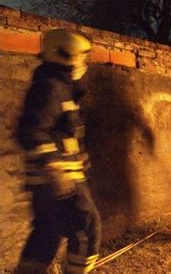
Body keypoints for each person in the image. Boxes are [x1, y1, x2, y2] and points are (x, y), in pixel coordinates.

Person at [15, 28, 101, 273]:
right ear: (65, 55)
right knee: (87, 227)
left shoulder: (61, 87)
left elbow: (62, 133)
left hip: (55, 178)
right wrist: (54, 167)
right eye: (82, 56)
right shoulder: (52, 87)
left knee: (47, 231)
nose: (85, 62)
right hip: (58, 178)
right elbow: (31, 131)